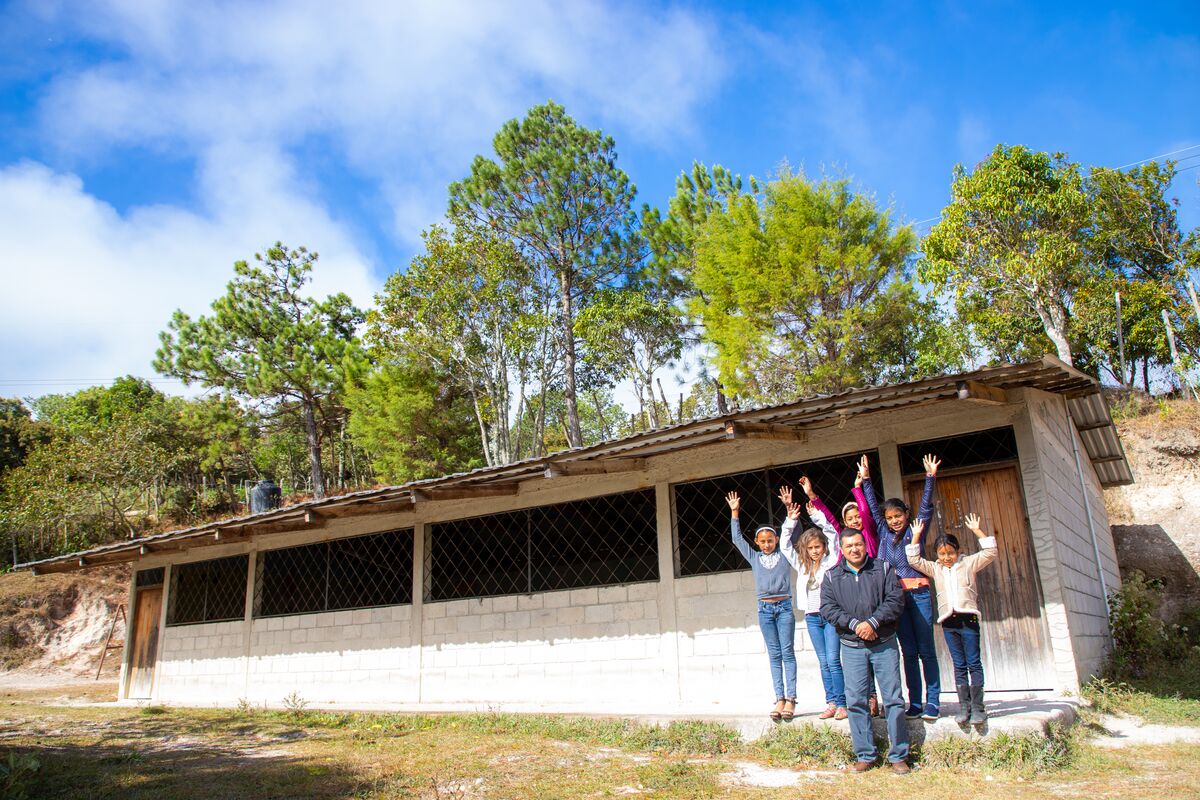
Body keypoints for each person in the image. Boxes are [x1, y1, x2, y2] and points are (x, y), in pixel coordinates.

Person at [819, 527, 910, 773]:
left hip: (884, 643)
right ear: (842, 548)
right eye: (849, 546)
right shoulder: (831, 576)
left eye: (858, 544)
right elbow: (828, 608)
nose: (854, 549)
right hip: (852, 647)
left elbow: (895, 600)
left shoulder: (883, 568)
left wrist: (872, 623)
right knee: (856, 701)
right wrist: (854, 625)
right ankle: (865, 754)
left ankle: (899, 756)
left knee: (893, 699)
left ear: (864, 545)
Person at [861, 454, 942, 721]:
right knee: (908, 651)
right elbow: (872, 508)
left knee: (926, 650)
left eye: (899, 515)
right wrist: (867, 480)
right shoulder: (883, 533)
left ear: (907, 515)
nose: (895, 520)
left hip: (918, 595)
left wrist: (930, 478)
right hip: (895, 600)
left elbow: (927, 508)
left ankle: (933, 701)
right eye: (890, 517)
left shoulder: (915, 530)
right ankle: (915, 702)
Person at [907, 513, 999, 725]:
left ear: (958, 552)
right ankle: (964, 707)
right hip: (949, 622)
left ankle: (978, 708)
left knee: (973, 663)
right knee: (959, 665)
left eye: (950, 553)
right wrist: (916, 535)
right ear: (937, 555)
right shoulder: (936, 568)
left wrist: (977, 530)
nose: (946, 557)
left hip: (968, 620)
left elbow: (991, 552)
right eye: (942, 553)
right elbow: (913, 559)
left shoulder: (968, 564)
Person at [725, 490, 798, 722]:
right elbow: (737, 539)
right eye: (762, 541)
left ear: (776, 540)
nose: (766, 544)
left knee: (787, 652)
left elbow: (791, 535)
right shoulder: (755, 558)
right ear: (757, 542)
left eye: (770, 540)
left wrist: (789, 511)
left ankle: (791, 699)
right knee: (774, 654)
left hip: (784, 607)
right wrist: (735, 512)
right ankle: (779, 697)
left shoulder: (785, 554)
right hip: (765, 610)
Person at [779, 482, 845, 720]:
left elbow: (833, 534)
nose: (815, 551)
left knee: (833, 660)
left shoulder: (830, 562)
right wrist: (791, 520)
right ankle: (830, 702)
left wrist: (816, 515)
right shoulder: (802, 565)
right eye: (811, 548)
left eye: (818, 547)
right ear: (805, 550)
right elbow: (784, 546)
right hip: (812, 617)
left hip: (830, 617)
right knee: (823, 661)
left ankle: (842, 703)